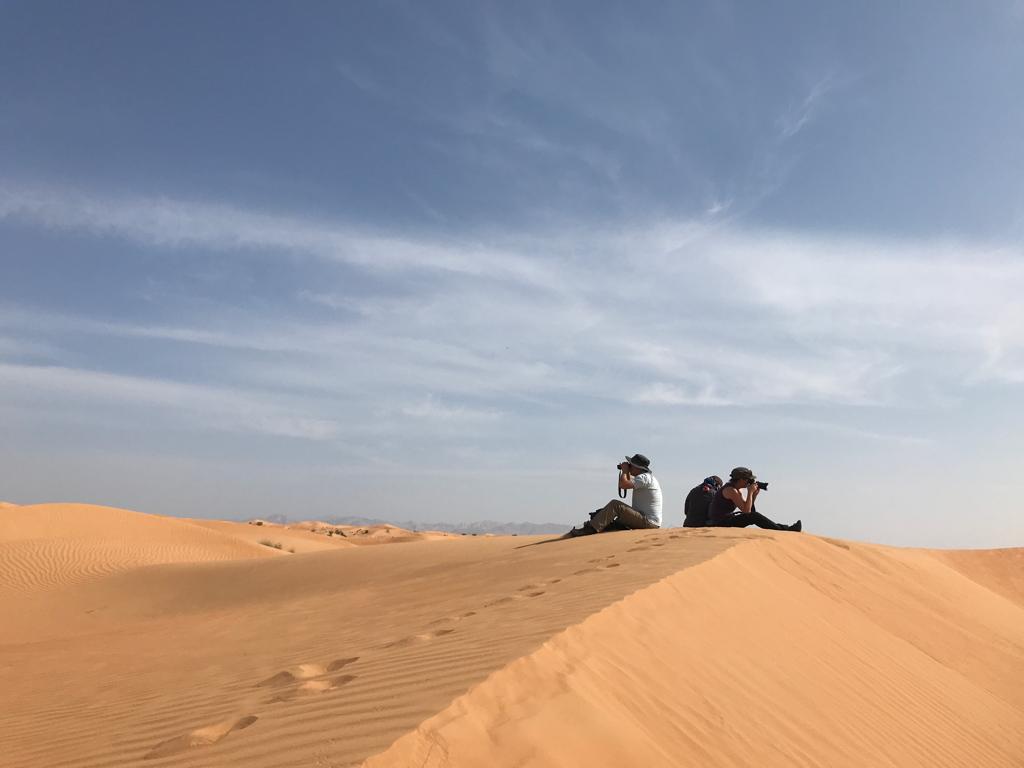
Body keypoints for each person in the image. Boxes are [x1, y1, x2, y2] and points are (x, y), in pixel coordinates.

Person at [566, 454, 662, 537]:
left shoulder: (645, 478)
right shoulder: (646, 478)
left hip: (649, 522)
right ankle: (596, 525)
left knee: (615, 505)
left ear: (637, 467)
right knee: (603, 516)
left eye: (631, 465)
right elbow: (627, 482)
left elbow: (623, 484)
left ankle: (590, 529)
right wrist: (626, 471)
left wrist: (625, 471)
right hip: (647, 521)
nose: (629, 467)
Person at [707, 467, 801, 531]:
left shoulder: (736, 490)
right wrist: (750, 492)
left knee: (754, 516)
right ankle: (784, 529)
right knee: (754, 516)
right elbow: (747, 512)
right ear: (741, 479)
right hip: (721, 524)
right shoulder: (731, 490)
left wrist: (753, 495)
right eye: (748, 480)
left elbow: (748, 509)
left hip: (725, 521)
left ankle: (784, 528)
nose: (749, 482)